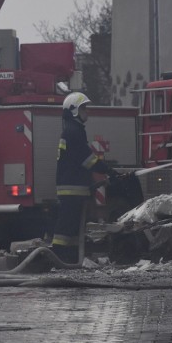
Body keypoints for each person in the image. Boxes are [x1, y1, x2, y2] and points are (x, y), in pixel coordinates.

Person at [52, 92, 118, 264]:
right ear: (74, 110)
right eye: (83, 108)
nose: (86, 111)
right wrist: (107, 169)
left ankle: (71, 257)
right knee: (66, 226)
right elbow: (87, 159)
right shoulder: (74, 131)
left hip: (73, 187)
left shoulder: (72, 130)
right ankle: (58, 255)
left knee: (73, 226)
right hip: (72, 188)